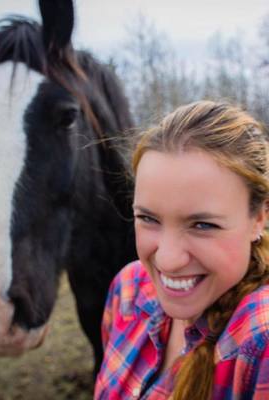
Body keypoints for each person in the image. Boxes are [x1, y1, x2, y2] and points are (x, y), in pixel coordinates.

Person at [94, 100, 269, 399]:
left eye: (202, 225)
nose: (168, 260)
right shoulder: (129, 288)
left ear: (259, 219)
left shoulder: (260, 346)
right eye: (148, 218)